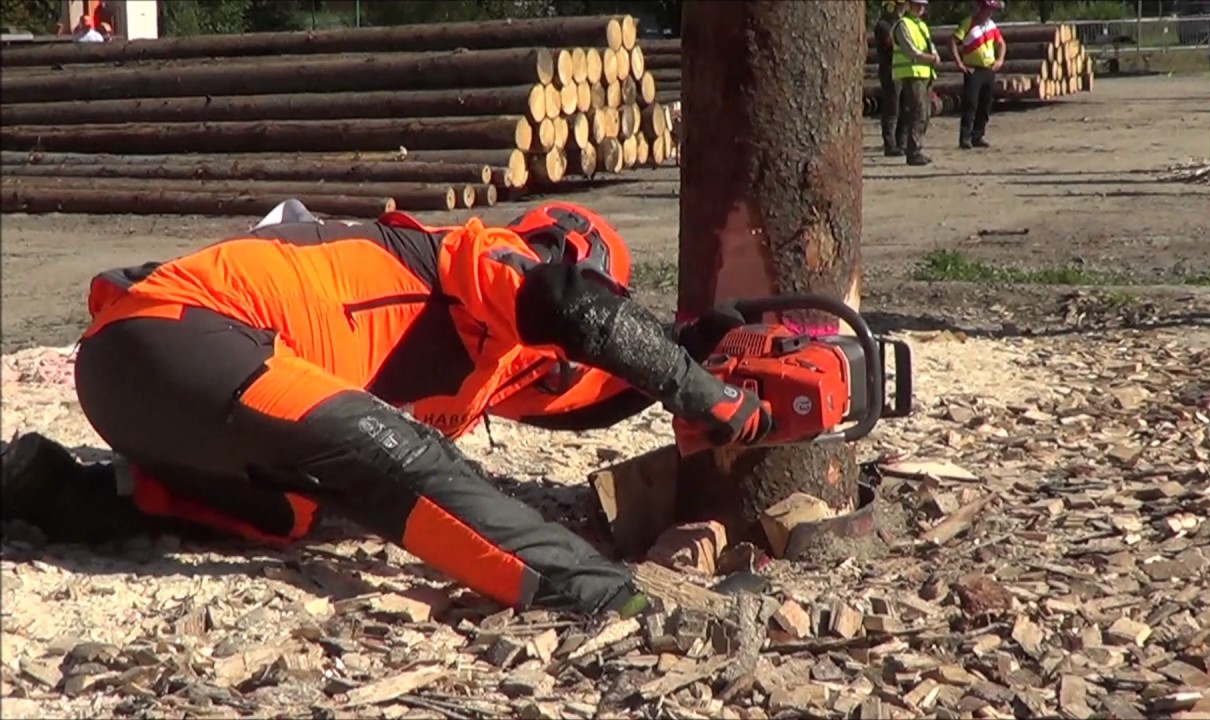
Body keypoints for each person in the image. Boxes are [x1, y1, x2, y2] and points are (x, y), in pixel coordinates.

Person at [0, 202, 773, 618]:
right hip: (175, 334)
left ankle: (64, 494)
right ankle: (605, 593)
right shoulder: (471, 260)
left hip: (153, 398)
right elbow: (575, 311)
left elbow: (597, 388)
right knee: (392, 455)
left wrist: (694, 349)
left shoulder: (508, 367)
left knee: (295, 512)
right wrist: (709, 396)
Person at [951, 0, 1007, 150]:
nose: (989, 13)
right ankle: (965, 137)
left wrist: (1000, 60)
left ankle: (978, 135)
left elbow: (1001, 43)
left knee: (986, 103)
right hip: (973, 69)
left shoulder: (991, 25)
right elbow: (952, 41)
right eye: (987, 10)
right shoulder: (968, 23)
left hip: (989, 68)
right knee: (970, 103)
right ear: (980, 9)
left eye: (991, 11)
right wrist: (959, 63)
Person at [892, 0, 941, 166]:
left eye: (923, 5)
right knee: (917, 112)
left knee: (925, 112)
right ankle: (913, 151)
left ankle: (917, 148)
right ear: (908, 5)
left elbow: (929, 45)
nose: (920, 8)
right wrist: (930, 58)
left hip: (926, 73)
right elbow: (910, 50)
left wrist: (934, 56)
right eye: (917, 5)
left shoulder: (921, 25)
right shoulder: (902, 25)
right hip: (911, 74)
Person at [874, 0, 910, 157]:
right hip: (890, 71)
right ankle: (890, 144)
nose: (903, 9)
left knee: (905, 107)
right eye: (900, 6)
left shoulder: (903, 24)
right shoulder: (883, 25)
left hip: (903, 70)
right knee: (892, 108)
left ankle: (902, 142)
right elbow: (891, 43)